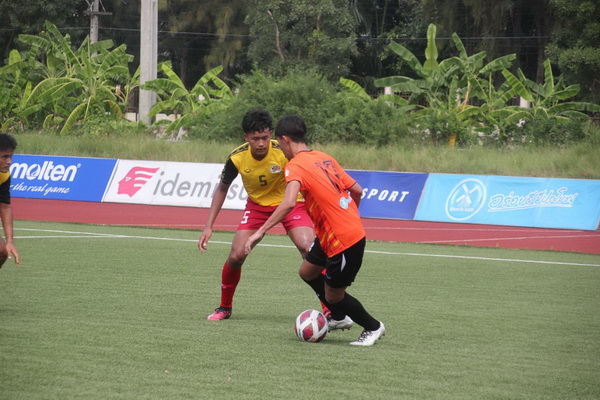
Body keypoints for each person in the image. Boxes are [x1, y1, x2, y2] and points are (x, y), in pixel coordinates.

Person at [245, 115, 385, 346]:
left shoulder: (295, 165)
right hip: (334, 234)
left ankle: (372, 326)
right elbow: (357, 190)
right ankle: (338, 317)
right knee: (308, 272)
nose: (280, 150)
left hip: (344, 240)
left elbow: (289, 202)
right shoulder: (324, 157)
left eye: (279, 145)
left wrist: (260, 231)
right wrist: (347, 216)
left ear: (286, 139)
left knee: (333, 295)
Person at [198, 109, 320, 321]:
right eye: (255, 139)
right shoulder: (236, 158)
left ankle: (328, 308)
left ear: (271, 134)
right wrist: (209, 226)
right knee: (236, 256)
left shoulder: (284, 151)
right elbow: (222, 189)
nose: (261, 143)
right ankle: (224, 307)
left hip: (291, 205)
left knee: (308, 249)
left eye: (265, 137)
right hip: (257, 208)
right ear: (246, 137)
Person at [0, 133, 20, 269]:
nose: (9, 161)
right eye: (4, 157)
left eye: (11, 156)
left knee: (1, 252)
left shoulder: (4, 176)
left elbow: (5, 206)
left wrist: (10, 241)